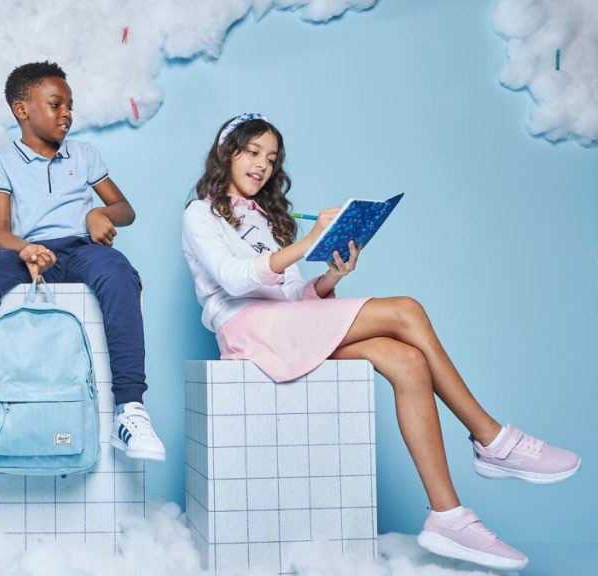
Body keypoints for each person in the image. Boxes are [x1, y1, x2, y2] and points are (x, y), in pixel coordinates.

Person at [181, 113, 580, 571]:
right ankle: (492, 438)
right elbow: (234, 281)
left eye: (271, 159)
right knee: (405, 309)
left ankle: (447, 515)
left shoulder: (272, 219)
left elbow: (292, 293)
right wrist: (308, 240)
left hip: (287, 322)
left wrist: (331, 275)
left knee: (406, 360)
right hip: (247, 330)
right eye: (252, 152)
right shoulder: (201, 214)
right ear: (225, 153)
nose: (262, 166)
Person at [0, 62, 165, 462]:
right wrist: (25, 249)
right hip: (27, 252)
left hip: (81, 250)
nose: (66, 113)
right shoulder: (2, 159)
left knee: (119, 273)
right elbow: (0, 232)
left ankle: (129, 410)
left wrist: (99, 215)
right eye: (55, 104)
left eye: (70, 105)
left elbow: (124, 208)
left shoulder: (83, 154)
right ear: (22, 109)